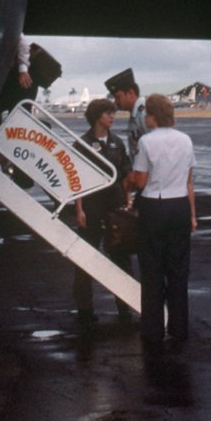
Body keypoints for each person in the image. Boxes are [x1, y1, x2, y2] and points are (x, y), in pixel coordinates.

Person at [127, 93, 196, 346]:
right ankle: (179, 327)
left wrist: (129, 183)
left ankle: (153, 329)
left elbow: (141, 180)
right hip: (178, 204)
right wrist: (192, 214)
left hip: (154, 205)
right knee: (178, 270)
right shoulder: (186, 140)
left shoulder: (146, 142)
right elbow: (189, 181)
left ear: (152, 116)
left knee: (152, 270)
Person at [72, 98, 136, 326]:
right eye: (109, 113)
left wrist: (128, 202)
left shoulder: (117, 143)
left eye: (113, 113)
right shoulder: (82, 144)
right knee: (85, 258)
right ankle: (85, 310)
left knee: (121, 257)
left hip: (114, 206)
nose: (112, 117)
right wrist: (79, 208)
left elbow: (125, 174)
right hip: (91, 206)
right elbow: (75, 179)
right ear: (98, 115)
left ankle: (125, 306)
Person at [105, 68, 148, 162]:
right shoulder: (135, 115)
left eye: (118, 97)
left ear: (130, 93)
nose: (116, 102)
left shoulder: (144, 114)